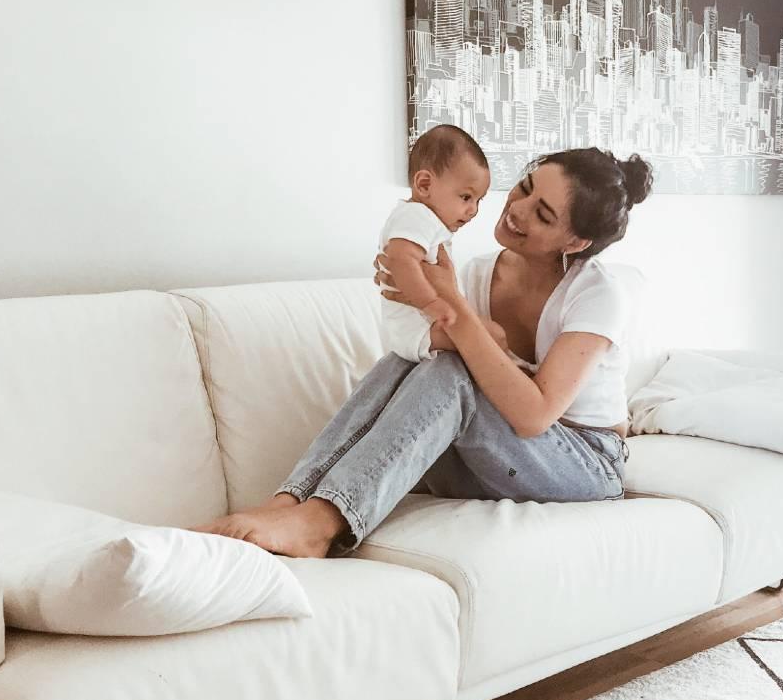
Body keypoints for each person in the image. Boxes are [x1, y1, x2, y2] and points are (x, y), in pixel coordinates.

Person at [192, 147, 654, 558]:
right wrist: (407, 287)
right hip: (488, 457)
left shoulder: (597, 295)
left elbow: (534, 415)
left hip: (581, 462)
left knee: (450, 371)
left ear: (575, 243)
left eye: (543, 214)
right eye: (525, 189)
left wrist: (450, 303)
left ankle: (321, 523)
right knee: (415, 359)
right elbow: (426, 359)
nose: (516, 209)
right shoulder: (476, 273)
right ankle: (289, 502)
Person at [378, 125, 491, 361]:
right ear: (425, 185)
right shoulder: (416, 216)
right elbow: (401, 260)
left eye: (479, 200)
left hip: (419, 329)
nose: (473, 211)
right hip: (416, 331)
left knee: (494, 336)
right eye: (466, 197)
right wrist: (431, 302)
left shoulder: (424, 221)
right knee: (494, 338)